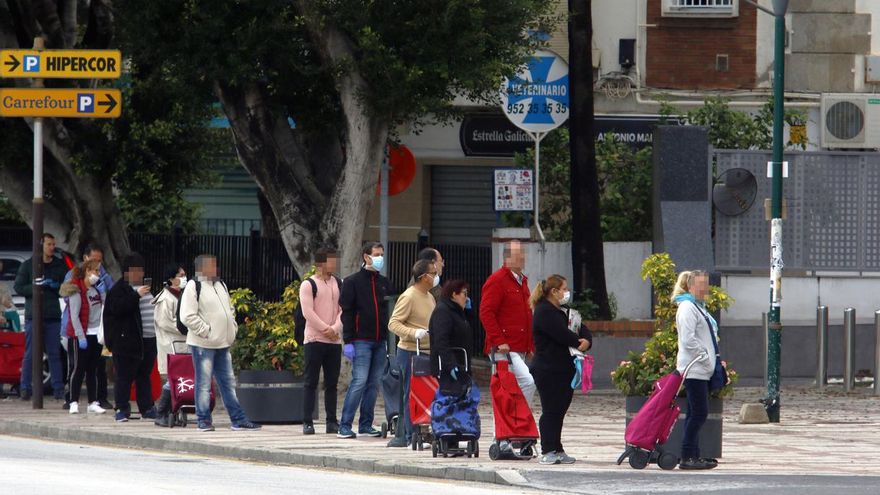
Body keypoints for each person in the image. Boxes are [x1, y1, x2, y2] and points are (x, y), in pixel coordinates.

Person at [180, 254, 261, 432]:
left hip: (223, 343)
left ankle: (238, 419)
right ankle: (203, 420)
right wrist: (206, 331)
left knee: (228, 383)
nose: (216, 268)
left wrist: (232, 327)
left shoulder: (220, 284)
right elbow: (187, 315)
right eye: (211, 265)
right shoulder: (194, 286)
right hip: (203, 344)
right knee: (203, 384)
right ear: (201, 268)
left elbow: (229, 309)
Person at [528, 275, 591, 465]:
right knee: (551, 410)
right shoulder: (544, 312)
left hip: (565, 368)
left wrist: (586, 341)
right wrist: (577, 341)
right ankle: (548, 449)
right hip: (547, 369)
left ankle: (558, 448)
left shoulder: (564, 311)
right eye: (563, 289)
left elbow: (582, 327)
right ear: (553, 292)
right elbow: (563, 335)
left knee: (560, 409)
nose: (566, 292)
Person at [338, 242, 392, 440]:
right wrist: (348, 340)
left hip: (380, 340)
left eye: (381, 254)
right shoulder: (352, 282)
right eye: (376, 254)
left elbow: (388, 310)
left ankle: (366, 424)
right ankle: (344, 424)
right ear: (366, 257)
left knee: (374, 383)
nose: (380, 258)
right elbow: (347, 312)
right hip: (361, 340)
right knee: (359, 381)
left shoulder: (384, 282)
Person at [386, 259, 437, 448]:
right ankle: (410, 435)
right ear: (423, 277)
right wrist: (413, 333)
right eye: (432, 273)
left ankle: (424, 432)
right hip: (409, 352)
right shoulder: (409, 296)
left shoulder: (429, 296)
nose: (435, 276)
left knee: (426, 395)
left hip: (427, 350)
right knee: (411, 393)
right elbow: (393, 323)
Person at [673, 270, 720, 471]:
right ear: (690, 286)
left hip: (702, 368)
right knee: (700, 413)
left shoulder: (698, 307)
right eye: (700, 285)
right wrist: (704, 355)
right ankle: (687, 455)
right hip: (694, 368)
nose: (704, 289)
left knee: (694, 412)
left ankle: (694, 454)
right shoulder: (687, 307)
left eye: (706, 284)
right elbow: (688, 338)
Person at [479, 240, 536, 403]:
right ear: (507, 258)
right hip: (505, 348)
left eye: (523, 254)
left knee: (514, 387)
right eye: (519, 255)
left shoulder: (522, 281)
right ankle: (519, 419)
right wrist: (499, 341)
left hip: (518, 346)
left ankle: (514, 423)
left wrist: (530, 345)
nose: (523, 258)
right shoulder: (497, 280)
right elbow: (486, 312)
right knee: (527, 382)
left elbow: (526, 315)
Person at [16, 233, 68, 401]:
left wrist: (54, 286)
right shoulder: (29, 265)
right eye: (49, 244)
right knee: (30, 353)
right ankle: (25, 387)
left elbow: (67, 286)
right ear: (41, 245)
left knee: (54, 353)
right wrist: (35, 288)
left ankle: (58, 388)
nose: (52, 247)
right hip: (34, 315)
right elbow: (18, 286)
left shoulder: (59, 266)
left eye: (53, 244)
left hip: (52, 315)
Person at [61, 244, 114, 410]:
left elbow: (106, 306)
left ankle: (93, 401)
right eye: (94, 270)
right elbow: (74, 315)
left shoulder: (97, 289)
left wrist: (102, 290)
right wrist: (80, 336)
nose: (98, 273)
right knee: (77, 368)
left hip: (95, 333)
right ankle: (72, 401)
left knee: (93, 369)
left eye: (99, 268)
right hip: (79, 335)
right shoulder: (77, 289)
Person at [103, 253, 154, 422]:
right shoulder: (119, 289)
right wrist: (136, 295)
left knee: (143, 375)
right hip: (126, 342)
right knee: (124, 377)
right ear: (127, 272)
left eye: (141, 270)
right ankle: (122, 408)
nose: (139, 274)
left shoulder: (145, 290)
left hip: (147, 339)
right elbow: (118, 308)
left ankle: (146, 407)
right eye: (135, 270)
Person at [300, 248, 343, 435]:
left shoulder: (339, 283)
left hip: (334, 341)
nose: (334, 264)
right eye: (330, 261)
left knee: (332, 383)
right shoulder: (308, 284)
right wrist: (326, 329)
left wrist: (335, 329)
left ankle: (331, 421)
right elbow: (307, 312)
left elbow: (344, 310)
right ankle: (307, 421)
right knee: (311, 381)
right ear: (320, 263)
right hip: (314, 339)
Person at [151, 263, 187, 427]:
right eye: (180, 275)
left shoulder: (181, 296)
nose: (184, 278)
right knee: (172, 379)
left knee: (178, 379)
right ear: (171, 278)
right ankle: (161, 412)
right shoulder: (165, 298)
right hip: (170, 344)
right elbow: (166, 322)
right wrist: (187, 329)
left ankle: (169, 412)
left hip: (181, 345)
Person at [429, 280, 474, 396]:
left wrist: (468, 311)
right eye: (464, 294)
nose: (466, 298)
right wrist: (451, 365)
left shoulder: (457, 311)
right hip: (448, 367)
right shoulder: (443, 311)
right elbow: (441, 340)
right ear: (454, 295)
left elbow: (466, 328)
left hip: (462, 362)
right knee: (450, 401)